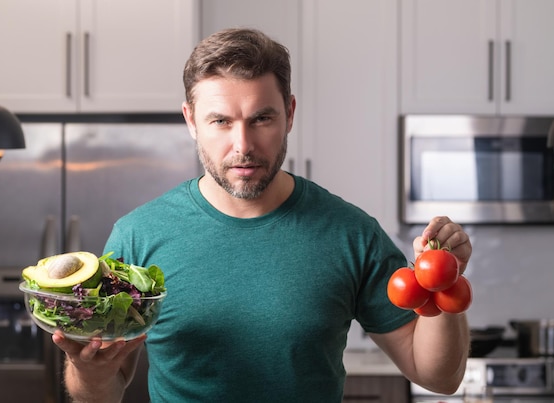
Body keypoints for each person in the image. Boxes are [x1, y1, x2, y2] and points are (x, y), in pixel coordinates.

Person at [53, 27, 471, 402]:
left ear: (289, 114)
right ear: (191, 121)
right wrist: (89, 371)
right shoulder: (138, 236)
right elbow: (102, 392)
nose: (243, 144)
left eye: (262, 118)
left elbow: (438, 377)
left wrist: (444, 285)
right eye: (220, 121)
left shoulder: (351, 233)